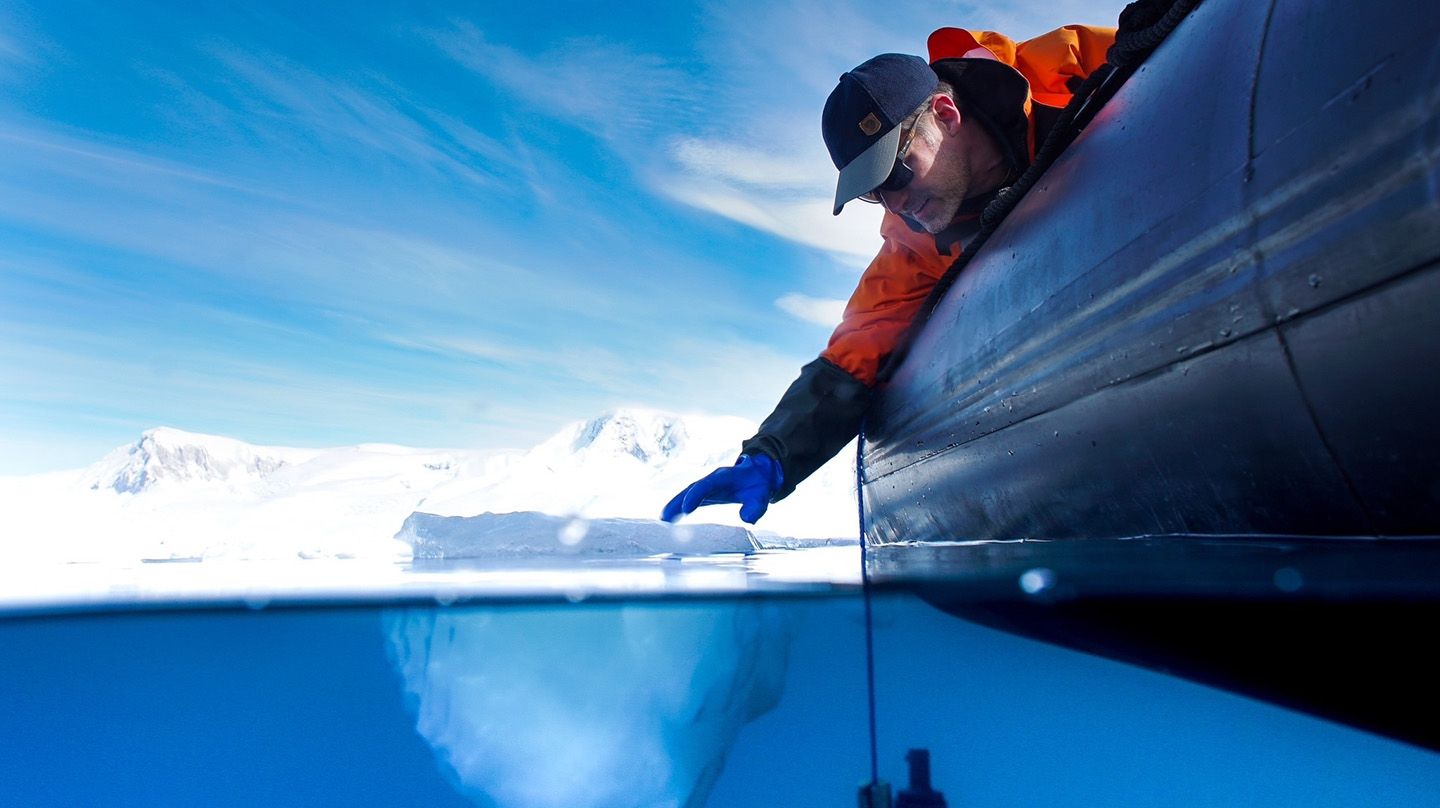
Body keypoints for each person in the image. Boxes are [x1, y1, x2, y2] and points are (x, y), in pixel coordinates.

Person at [662, 25, 1116, 525]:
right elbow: (854, 354)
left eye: (894, 175)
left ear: (945, 115)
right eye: (871, 193)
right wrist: (773, 456)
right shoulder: (915, 247)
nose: (894, 203)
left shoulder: (1073, 68)